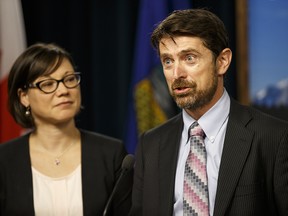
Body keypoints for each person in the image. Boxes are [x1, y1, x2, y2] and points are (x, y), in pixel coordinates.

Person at [130, 9, 288, 216]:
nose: (176, 73)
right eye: (168, 61)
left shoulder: (274, 137)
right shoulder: (151, 144)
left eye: (189, 58)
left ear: (222, 61)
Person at [0, 43, 133, 215]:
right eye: (48, 84)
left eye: (69, 79)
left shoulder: (111, 155)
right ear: (24, 97)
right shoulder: (4, 161)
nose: (63, 90)